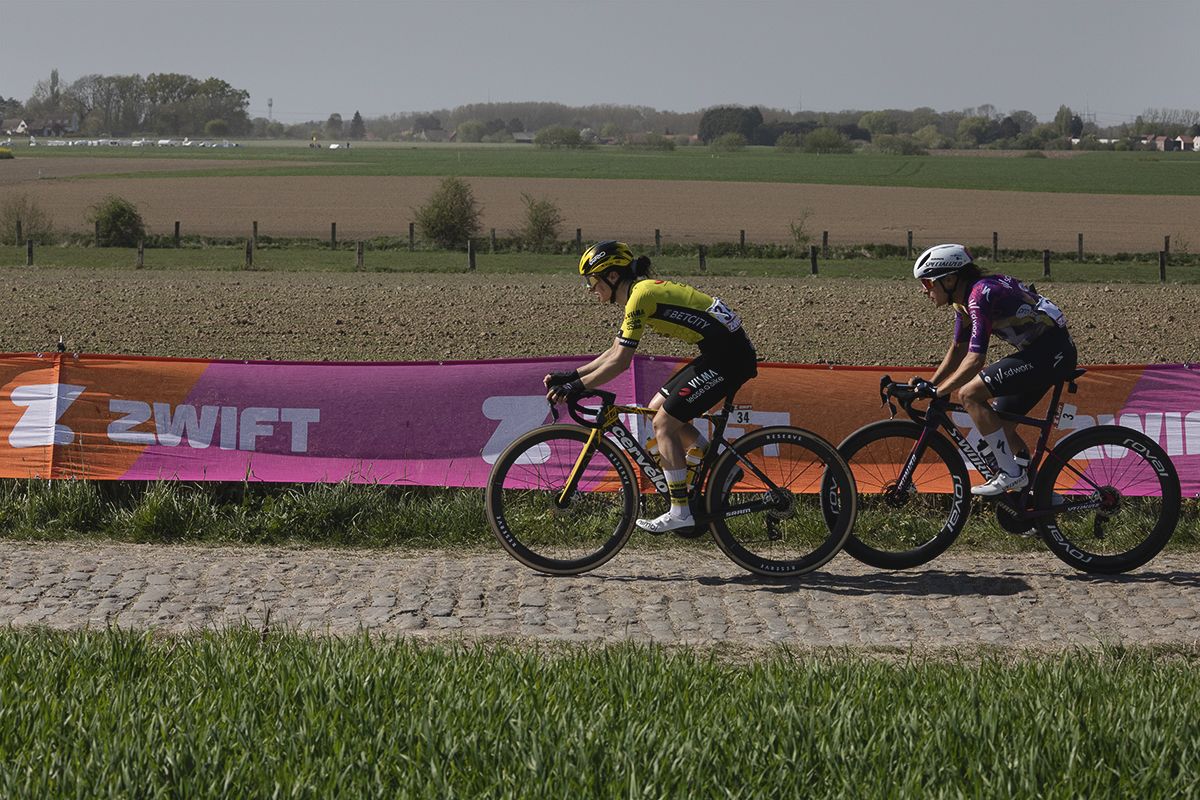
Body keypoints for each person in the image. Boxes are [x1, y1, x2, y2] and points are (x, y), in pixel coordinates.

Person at [545, 241, 758, 534]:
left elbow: (620, 363)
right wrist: (570, 376)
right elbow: (613, 350)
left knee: (664, 424)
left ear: (613, 276)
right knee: (655, 409)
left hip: (729, 358)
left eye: (592, 280)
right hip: (720, 352)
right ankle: (722, 467)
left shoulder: (640, 296)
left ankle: (680, 512)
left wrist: (575, 386)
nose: (589, 288)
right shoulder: (639, 293)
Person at [911, 243, 1078, 496]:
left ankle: (1011, 474)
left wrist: (939, 391)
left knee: (968, 394)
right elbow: (958, 348)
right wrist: (932, 383)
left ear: (948, 279)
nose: (925, 292)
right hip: (1042, 352)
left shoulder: (980, 295)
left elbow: (975, 360)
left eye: (927, 284)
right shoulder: (963, 300)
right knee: (997, 430)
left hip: (1050, 354)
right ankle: (1037, 501)